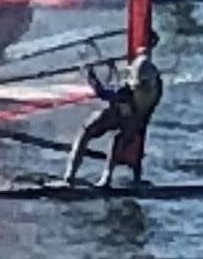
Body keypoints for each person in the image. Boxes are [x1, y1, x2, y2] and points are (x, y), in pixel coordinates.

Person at [67, 51, 164, 188]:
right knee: (95, 130)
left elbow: (102, 92)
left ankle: (98, 178)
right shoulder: (157, 86)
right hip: (132, 118)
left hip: (130, 119)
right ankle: (82, 176)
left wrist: (88, 72)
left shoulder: (130, 92)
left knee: (100, 134)